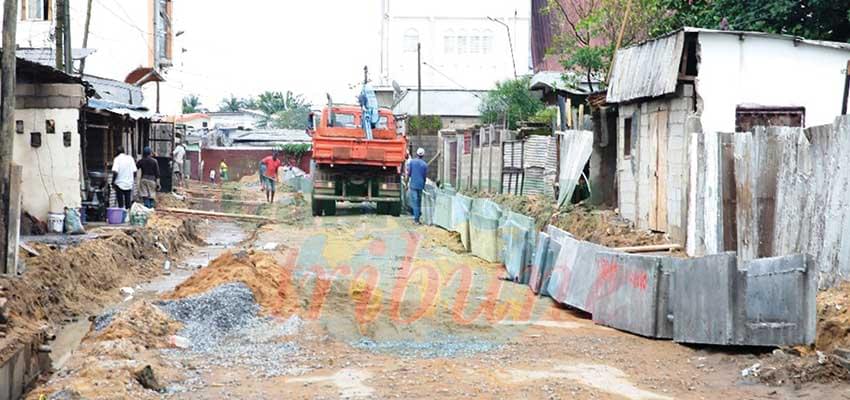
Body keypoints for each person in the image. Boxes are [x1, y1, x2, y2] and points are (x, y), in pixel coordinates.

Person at [111, 146, 137, 211]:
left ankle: (121, 213)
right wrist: (132, 179)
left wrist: (112, 182)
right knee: (128, 199)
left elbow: (115, 172)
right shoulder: (130, 158)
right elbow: (135, 171)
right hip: (129, 183)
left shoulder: (117, 159)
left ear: (117, 152)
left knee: (120, 201)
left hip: (119, 183)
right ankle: (127, 213)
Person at [407, 147, 428, 224]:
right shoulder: (424, 165)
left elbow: (409, 173)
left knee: (415, 202)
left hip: (413, 185)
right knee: (419, 201)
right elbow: (424, 176)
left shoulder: (412, 162)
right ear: (423, 155)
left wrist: (406, 183)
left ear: (416, 154)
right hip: (420, 185)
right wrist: (424, 184)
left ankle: (416, 219)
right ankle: (417, 217)